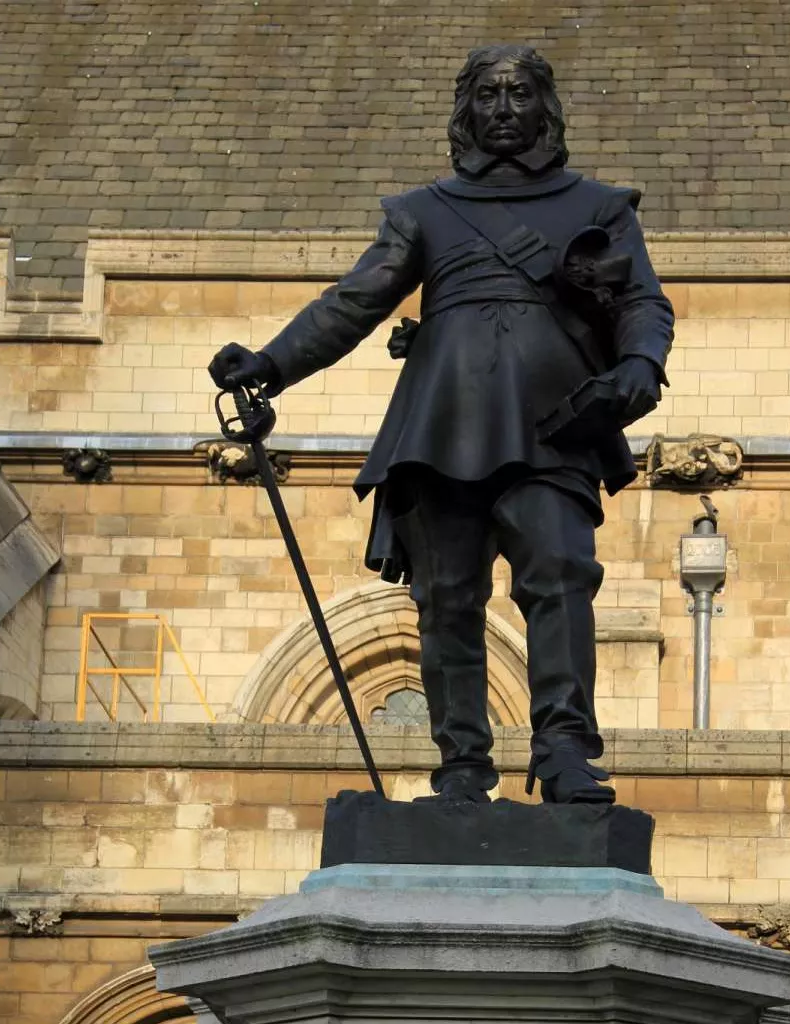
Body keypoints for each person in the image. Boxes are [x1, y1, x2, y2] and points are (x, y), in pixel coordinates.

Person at [208, 44, 675, 805]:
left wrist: (640, 365)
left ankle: (563, 749)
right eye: (486, 95)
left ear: (544, 109)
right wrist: (270, 362)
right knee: (448, 599)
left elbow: (643, 303)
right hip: (443, 424)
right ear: (466, 112)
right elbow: (352, 304)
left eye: (519, 94)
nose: (502, 108)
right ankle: (462, 766)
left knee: (560, 575)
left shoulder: (598, 207)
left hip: (554, 424)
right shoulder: (423, 210)